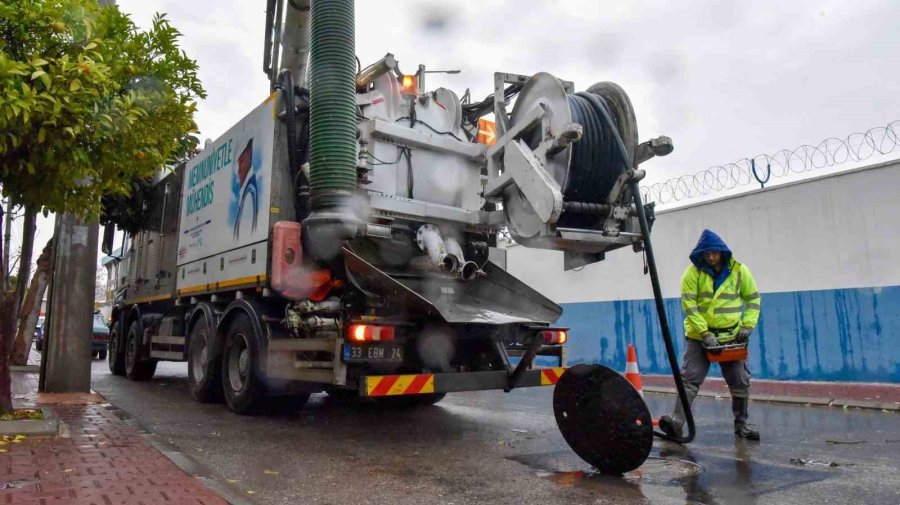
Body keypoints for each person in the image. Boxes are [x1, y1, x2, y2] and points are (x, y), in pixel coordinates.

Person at [659, 229, 762, 441]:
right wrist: (704, 332)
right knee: (689, 379)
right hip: (699, 338)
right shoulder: (692, 274)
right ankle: (676, 423)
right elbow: (689, 305)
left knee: (740, 381)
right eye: (707, 254)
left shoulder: (740, 271)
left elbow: (753, 300)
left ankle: (741, 425)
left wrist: (747, 326)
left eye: (714, 253)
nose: (711, 257)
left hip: (732, 338)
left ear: (723, 252)